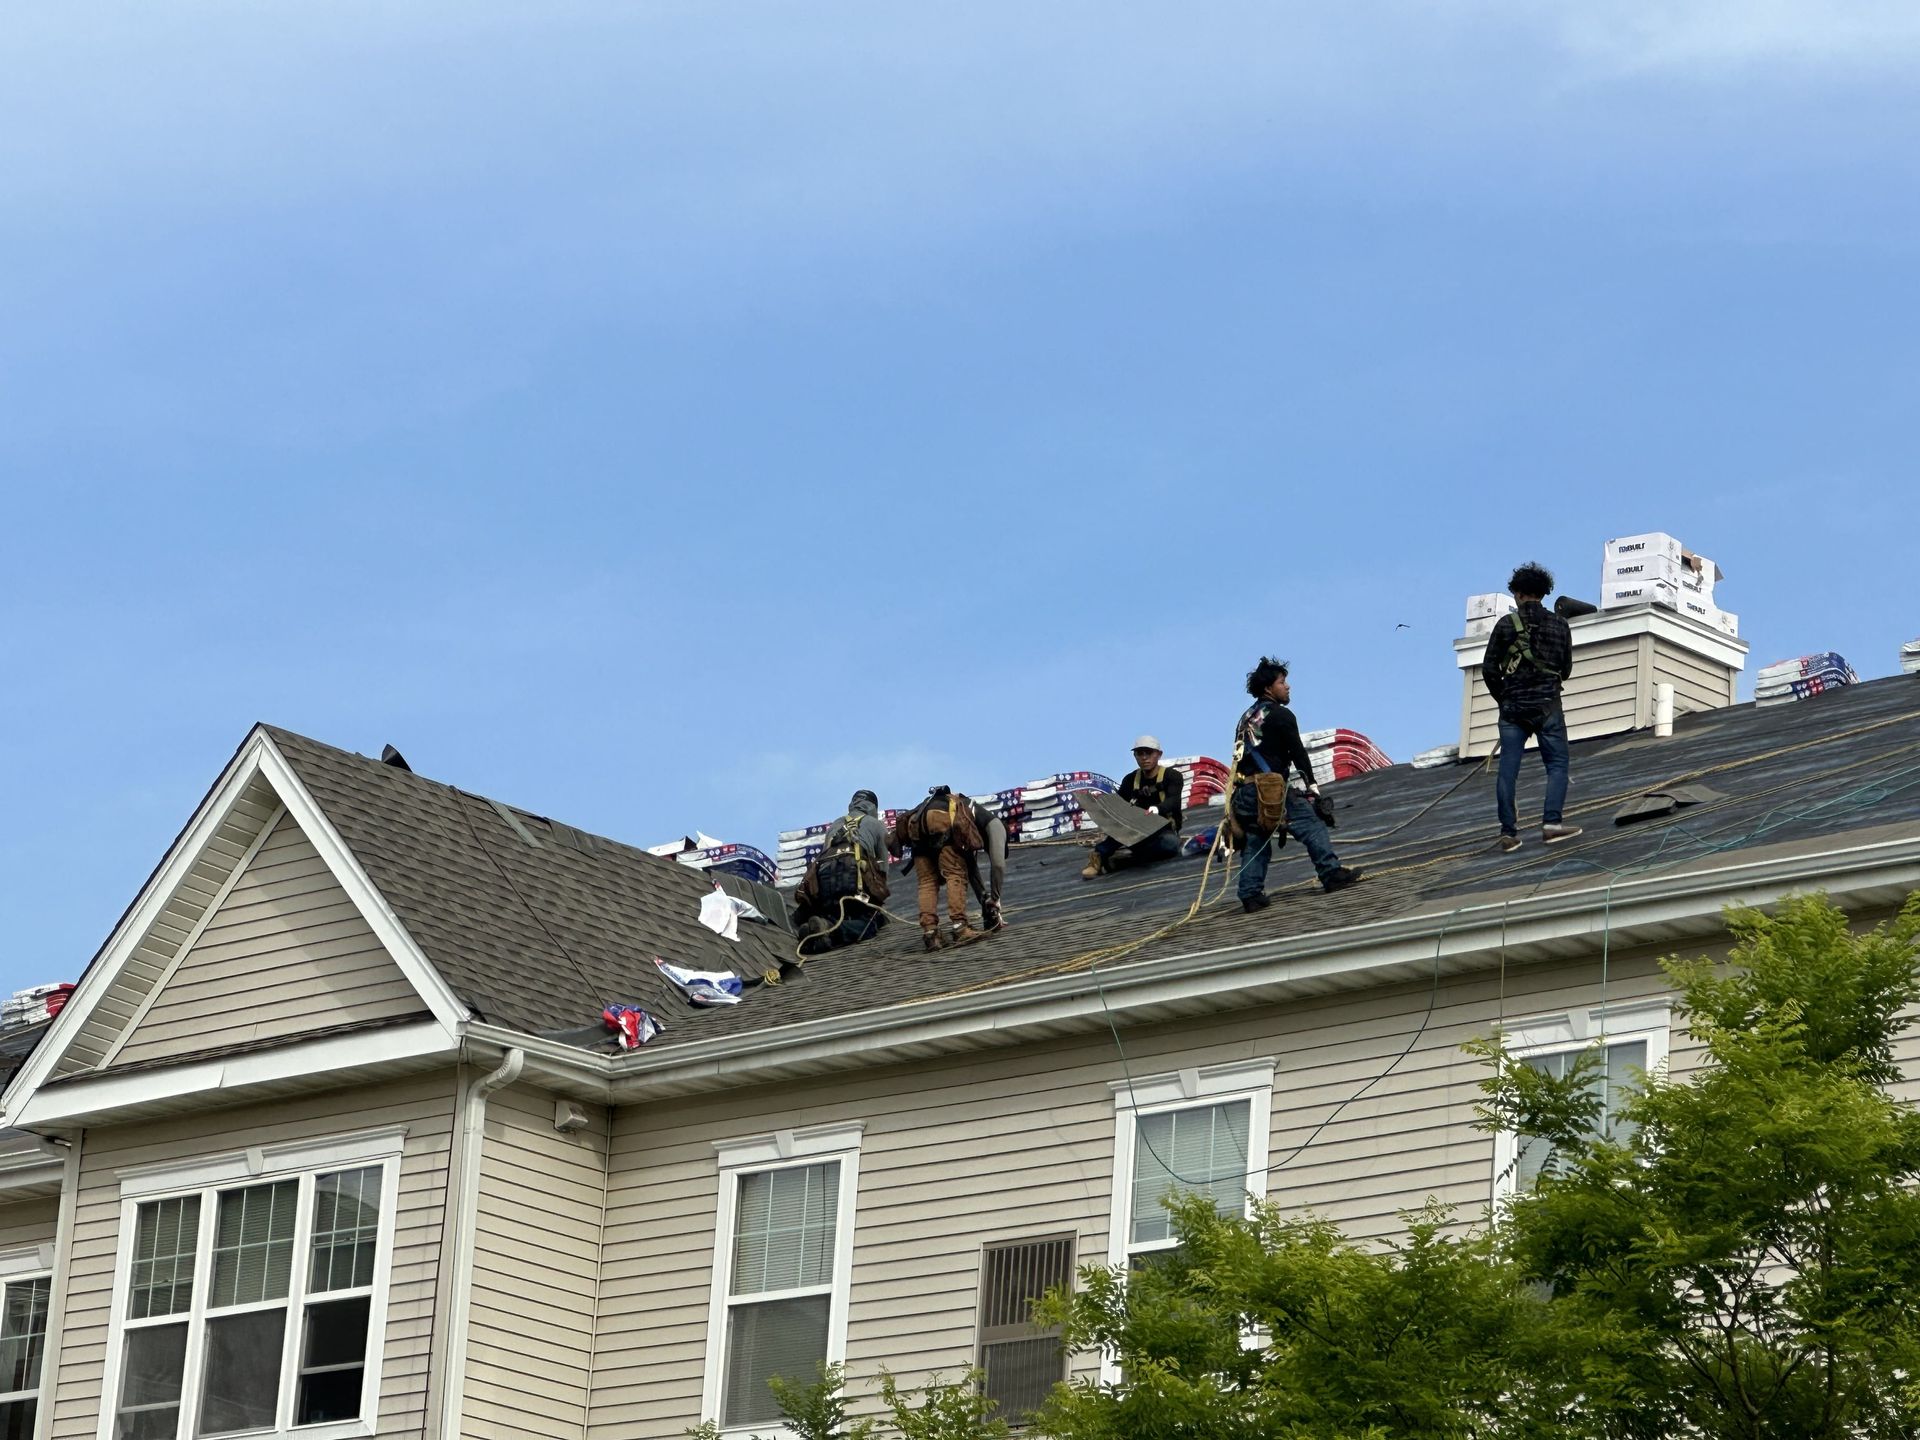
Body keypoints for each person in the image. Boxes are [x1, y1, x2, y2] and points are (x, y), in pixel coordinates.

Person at [1230, 657, 1363, 912]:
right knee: (1312, 825)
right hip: (1268, 790)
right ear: (1269, 688)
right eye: (1282, 682)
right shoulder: (1281, 715)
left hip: (1244, 792)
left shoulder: (1245, 718)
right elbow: (1298, 754)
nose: (1288, 687)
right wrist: (1312, 786)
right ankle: (1331, 874)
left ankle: (1250, 895)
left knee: (1257, 838)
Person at [1481, 562, 1581, 851]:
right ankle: (1552, 824)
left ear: (1518, 592)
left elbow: (1489, 669)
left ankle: (1508, 832)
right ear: (1544, 592)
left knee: (1508, 771)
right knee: (1557, 765)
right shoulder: (1559, 625)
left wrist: (1505, 698)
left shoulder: (1504, 625)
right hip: (1548, 705)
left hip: (1513, 709)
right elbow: (1566, 669)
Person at [893, 787, 1008, 950]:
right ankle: (960, 928)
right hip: (940, 820)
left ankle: (930, 933)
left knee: (927, 882)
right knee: (956, 874)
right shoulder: (995, 825)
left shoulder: (967, 816)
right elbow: (997, 864)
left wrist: (985, 900)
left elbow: (972, 869)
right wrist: (995, 900)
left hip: (917, 824)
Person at [791, 790, 892, 954]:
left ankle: (813, 931)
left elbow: (824, 855)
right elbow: (882, 870)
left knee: (834, 913)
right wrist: (877, 901)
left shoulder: (836, 825)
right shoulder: (877, 825)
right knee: (870, 923)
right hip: (854, 878)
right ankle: (830, 930)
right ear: (873, 807)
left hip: (824, 881)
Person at [1082, 736, 1184, 879]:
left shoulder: (1172, 777)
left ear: (1159, 754)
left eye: (1148, 753)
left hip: (1161, 831)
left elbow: (1173, 800)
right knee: (1121, 830)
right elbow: (1119, 806)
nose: (1144, 757)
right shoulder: (1130, 781)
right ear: (1135, 756)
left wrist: (1157, 809)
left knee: (1170, 846)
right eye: (1140, 753)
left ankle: (1119, 862)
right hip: (1135, 832)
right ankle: (1098, 857)